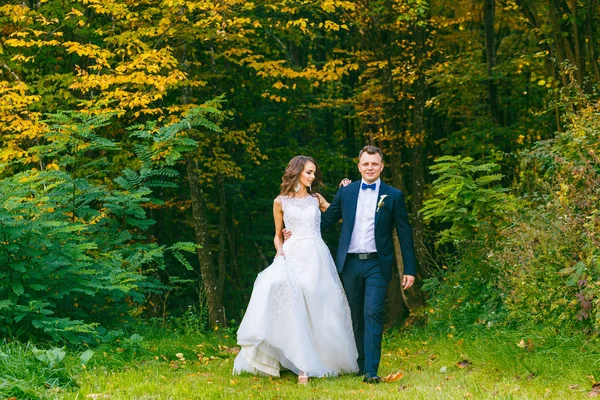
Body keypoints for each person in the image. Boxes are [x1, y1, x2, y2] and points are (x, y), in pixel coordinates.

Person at [233, 155, 358, 385]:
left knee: (317, 302)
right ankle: (300, 365)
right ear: (297, 171)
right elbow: (277, 234)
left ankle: (315, 361)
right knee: (285, 297)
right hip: (292, 254)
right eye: (309, 172)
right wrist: (280, 250)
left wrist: (345, 193)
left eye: (314, 173)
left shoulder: (316, 199)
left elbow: (340, 217)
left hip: (316, 255)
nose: (312, 176)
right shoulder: (280, 201)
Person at [320, 145, 417, 384]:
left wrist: (410, 269)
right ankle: (360, 363)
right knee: (355, 316)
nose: (370, 167)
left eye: (375, 164)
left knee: (372, 313)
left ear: (382, 166)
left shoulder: (393, 196)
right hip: (350, 264)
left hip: (377, 264)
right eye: (366, 163)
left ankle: (371, 371)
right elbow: (326, 221)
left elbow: (405, 234)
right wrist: (295, 230)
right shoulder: (347, 192)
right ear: (359, 166)